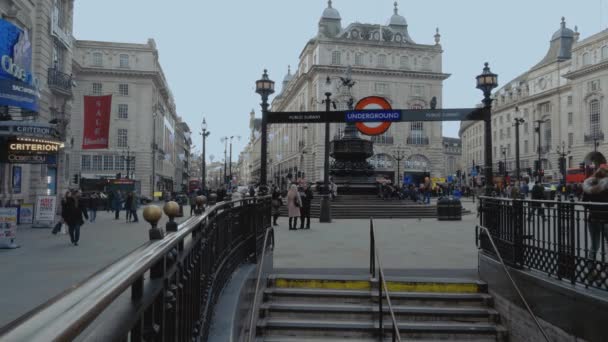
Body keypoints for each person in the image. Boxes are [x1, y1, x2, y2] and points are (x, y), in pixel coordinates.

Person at [582, 167, 608, 261]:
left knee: (594, 245)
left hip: (592, 218)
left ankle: (590, 268)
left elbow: (584, 203)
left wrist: (593, 208)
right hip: (606, 219)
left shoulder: (589, 186)